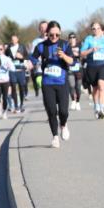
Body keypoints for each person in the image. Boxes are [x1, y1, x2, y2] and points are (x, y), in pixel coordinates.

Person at [31, 20, 74, 148]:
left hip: (61, 82)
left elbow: (72, 61)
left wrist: (63, 56)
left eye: (57, 35)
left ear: (60, 33)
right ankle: (55, 136)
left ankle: (64, 125)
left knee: (63, 111)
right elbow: (32, 58)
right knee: (51, 111)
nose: (54, 37)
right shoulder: (41, 46)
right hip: (47, 82)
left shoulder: (65, 45)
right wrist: (29, 64)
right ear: (47, 34)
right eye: (51, 35)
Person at [80, 21, 104, 119]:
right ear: (92, 30)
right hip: (92, 66)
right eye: (94, 28)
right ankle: (96, 106)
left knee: (101, 86)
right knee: (95, 89)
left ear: (101, 29)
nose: (96, 30)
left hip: (103, 65)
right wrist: (91, 50)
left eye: (98, 28)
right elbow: (82, 53)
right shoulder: (88, 39)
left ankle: (101, 109)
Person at [8, 34, 29, 112]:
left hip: (20, 70)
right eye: (12, 39)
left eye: (14, 39)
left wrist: (22, 57)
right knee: (13, 87)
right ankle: (16, 105)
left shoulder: (22, 47)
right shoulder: (8, 48)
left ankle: (21, 105)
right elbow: (6, 57)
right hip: (12, 70)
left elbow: (27, 57)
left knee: (21, 87)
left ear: (17, 39)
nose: (13, 40)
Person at [0, 43, 16, 119]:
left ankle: (4, 112)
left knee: (5, 97)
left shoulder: (7, 58)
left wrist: (8, 66)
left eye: (1, 49)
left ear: (3, 50)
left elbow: (13, 69)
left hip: (5, 80)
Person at [29, 20, 48, 97]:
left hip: (51, 67)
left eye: (45, 27)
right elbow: (32, 55)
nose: (44, 29)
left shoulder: (53, 39)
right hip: (39, 67)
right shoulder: (36, 41)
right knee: (39, 81)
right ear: (39, 30)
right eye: (42, 28)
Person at [67, 33, 83, 110]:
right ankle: (73, 100)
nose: (72, 38)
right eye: (71, 37)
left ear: (76, 38)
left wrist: (78, 55)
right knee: (71, 85)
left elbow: (82, 55)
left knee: (78, 87)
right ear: (69, 39)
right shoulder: (67, 46)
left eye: (73, 37)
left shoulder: (80, 46)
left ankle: (78, 102)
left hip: (78, 68)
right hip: (70, 68)